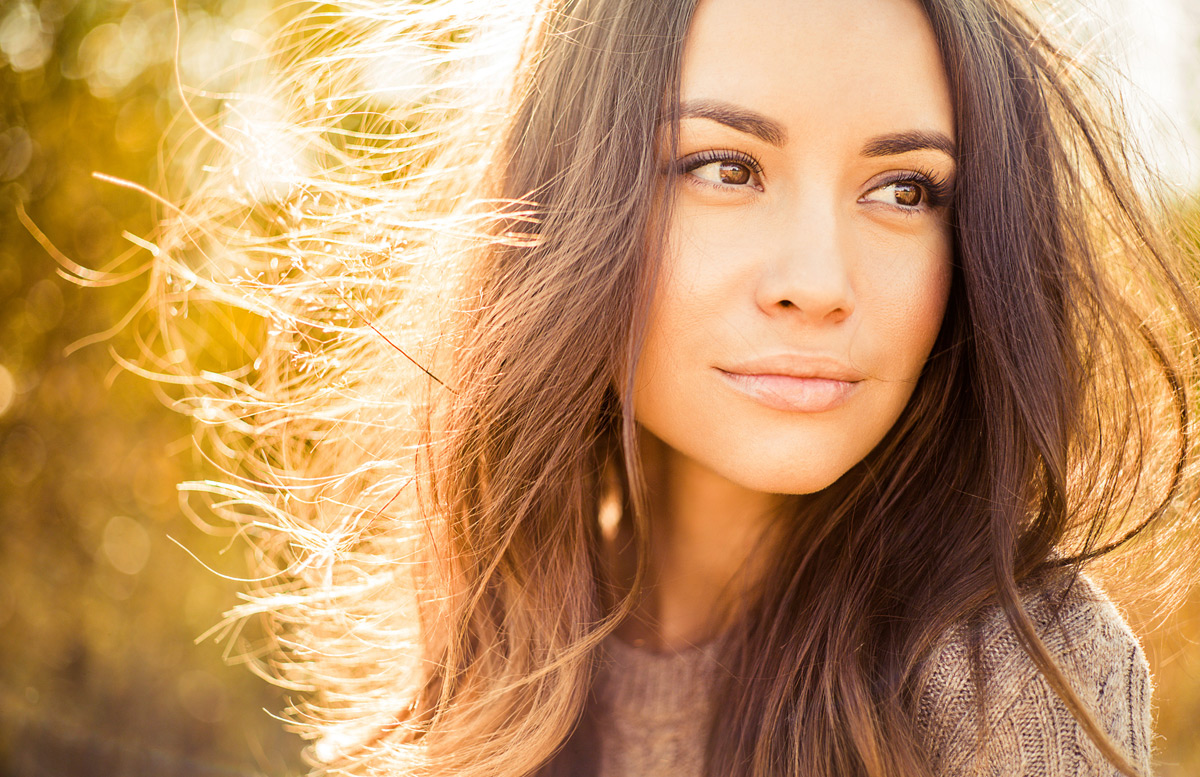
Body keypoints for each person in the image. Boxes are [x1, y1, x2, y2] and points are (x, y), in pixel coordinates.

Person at [145, 0, 1200, 774]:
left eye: (904, 188)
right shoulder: (496, 649)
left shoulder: (1011, 675)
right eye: (725, 167)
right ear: (570, 199)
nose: (816, 284)